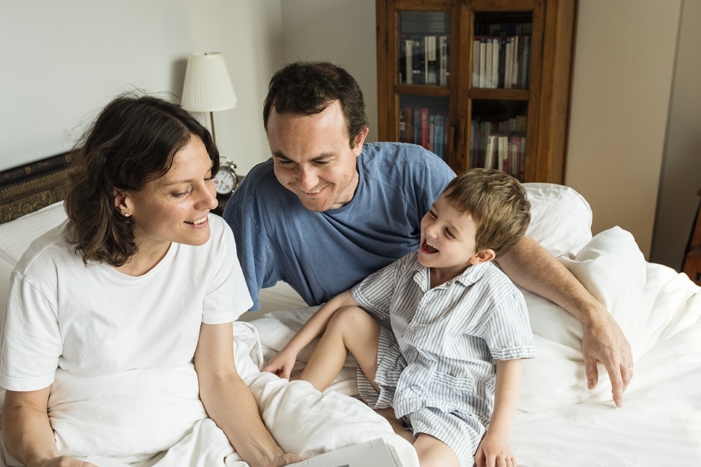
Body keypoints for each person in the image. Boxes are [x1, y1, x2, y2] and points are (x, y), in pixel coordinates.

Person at [223, 61, 633, 407]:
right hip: (377, 329)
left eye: (322, 160)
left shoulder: (413, 170)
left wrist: (593, 313)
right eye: (285, 161)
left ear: (359, 140)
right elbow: (220, 305)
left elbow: (503, 246)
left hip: (451, 305)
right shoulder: (259, 198)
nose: (305, 180)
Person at [0, 94, 301, 467]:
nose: (210, 200)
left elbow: (219, 374)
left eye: (209, 176)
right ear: (122, 199)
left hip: (187, 429)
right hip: (93, 443)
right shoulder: (45, 274)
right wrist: (45, 463)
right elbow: (24, 405)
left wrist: (269, 462)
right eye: (181, 192)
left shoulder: (213, 241)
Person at [264, 169, 536, 467]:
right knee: (348, 319)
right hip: (404, 375)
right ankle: (300, 401)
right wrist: (291, 349)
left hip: (454, 408)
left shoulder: (497, 295)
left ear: (481, 255)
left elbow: (510, 367)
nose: (431, 230)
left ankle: (395, 430)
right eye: (433, 214)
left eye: (449, 233)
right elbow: (345, 302)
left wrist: (497, 437)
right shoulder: (411, 266)